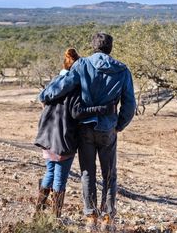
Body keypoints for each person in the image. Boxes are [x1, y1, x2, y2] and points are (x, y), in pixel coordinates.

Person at [39, 33, 136, 232]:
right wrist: (119, 125)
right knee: (109, 174)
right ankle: (107, 217)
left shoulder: (82, 65)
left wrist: (44, 94)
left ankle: (90, 216)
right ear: (110, 47)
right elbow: (130, 104)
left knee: (87, 173)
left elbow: (62, 86)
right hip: (108, 128)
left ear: (93, 47)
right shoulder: (123, 70)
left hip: (85, 128)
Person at [34, 48, 115, 218]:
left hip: (47, 135)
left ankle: (38, 213)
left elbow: (43, 99)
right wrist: (103, 109)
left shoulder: (55, 83)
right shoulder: (75, 88)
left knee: (50, 171)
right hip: (64, 138)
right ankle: (55, 218)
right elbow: (77, 112)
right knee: (60, 177)